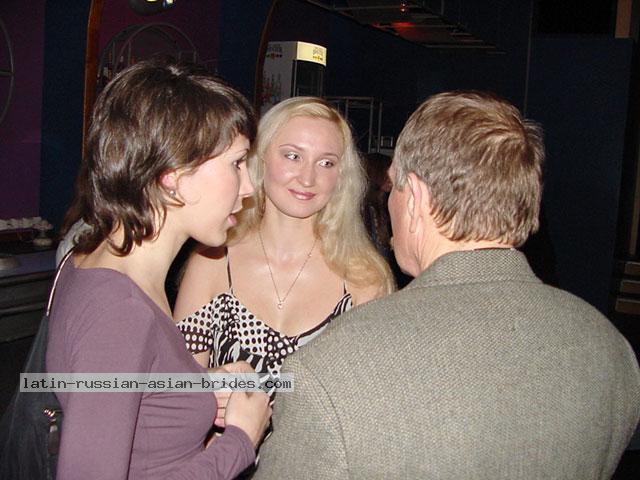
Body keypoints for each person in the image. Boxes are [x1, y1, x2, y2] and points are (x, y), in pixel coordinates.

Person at [253, 91, 640, 479]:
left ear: (415, 198)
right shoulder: (611, 350)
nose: (389, 202)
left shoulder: (334, 365)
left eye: (394, 186)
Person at [46, 59, 271, 479]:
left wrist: (193, 387)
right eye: (236, 163)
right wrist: (241, 440)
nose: (248, 187)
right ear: (173, 177)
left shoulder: (94, 258)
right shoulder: (119, 311)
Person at [174, 97, 395, 377]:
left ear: (341, 176)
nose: (307, 178)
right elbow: (177, 387)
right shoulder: (212, 262)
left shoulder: (364, 280)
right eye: (293, 156)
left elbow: (367, 392)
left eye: (326, 163)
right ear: (260, 158)